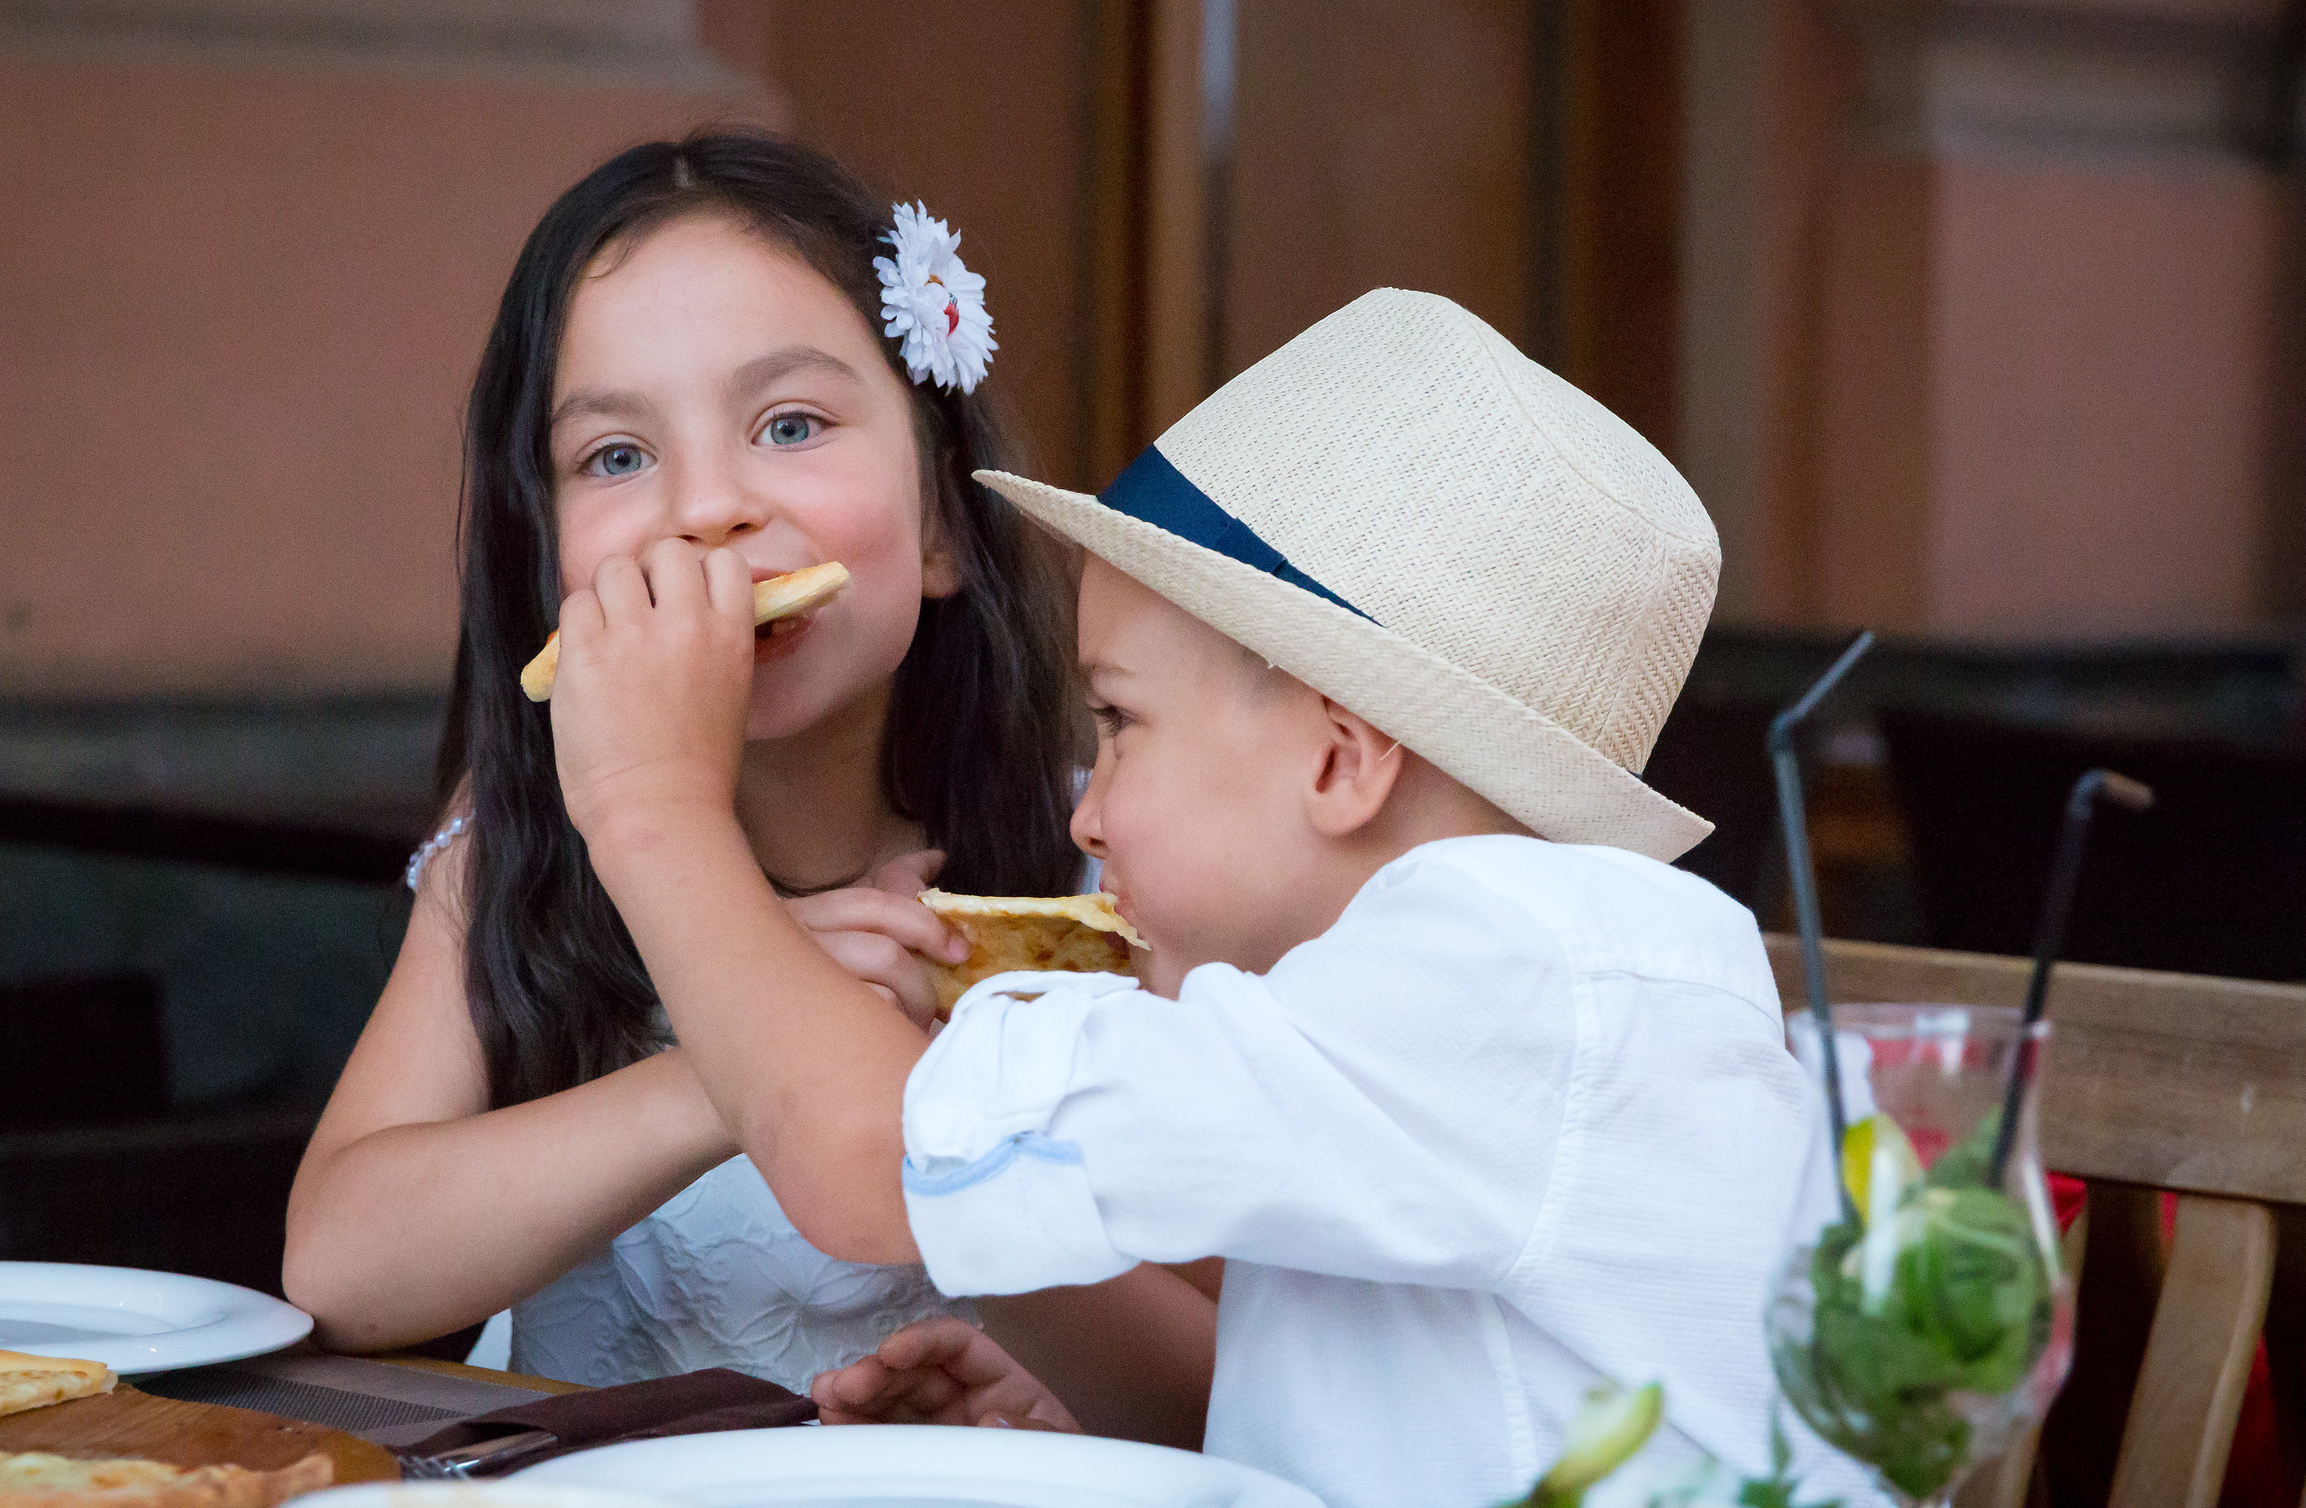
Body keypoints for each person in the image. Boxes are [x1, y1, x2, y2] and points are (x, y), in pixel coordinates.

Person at [537, 288, 1876, 1507]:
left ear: (1341, 759)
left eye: (1121, 722)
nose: (1088, 812)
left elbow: (858, 1165)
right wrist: (1085, 1416)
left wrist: (649, 803)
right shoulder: (1391, 1003)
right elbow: (1376, 1422)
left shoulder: (1502, 969)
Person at [282, 132, 1088, 1393]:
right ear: (544, 559)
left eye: (790, 424)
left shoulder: (1105, 853)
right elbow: (337, 1269)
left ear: (941, 520)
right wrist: (716, 1071)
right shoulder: (519, 851)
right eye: (616, 456)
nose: (707, 508)